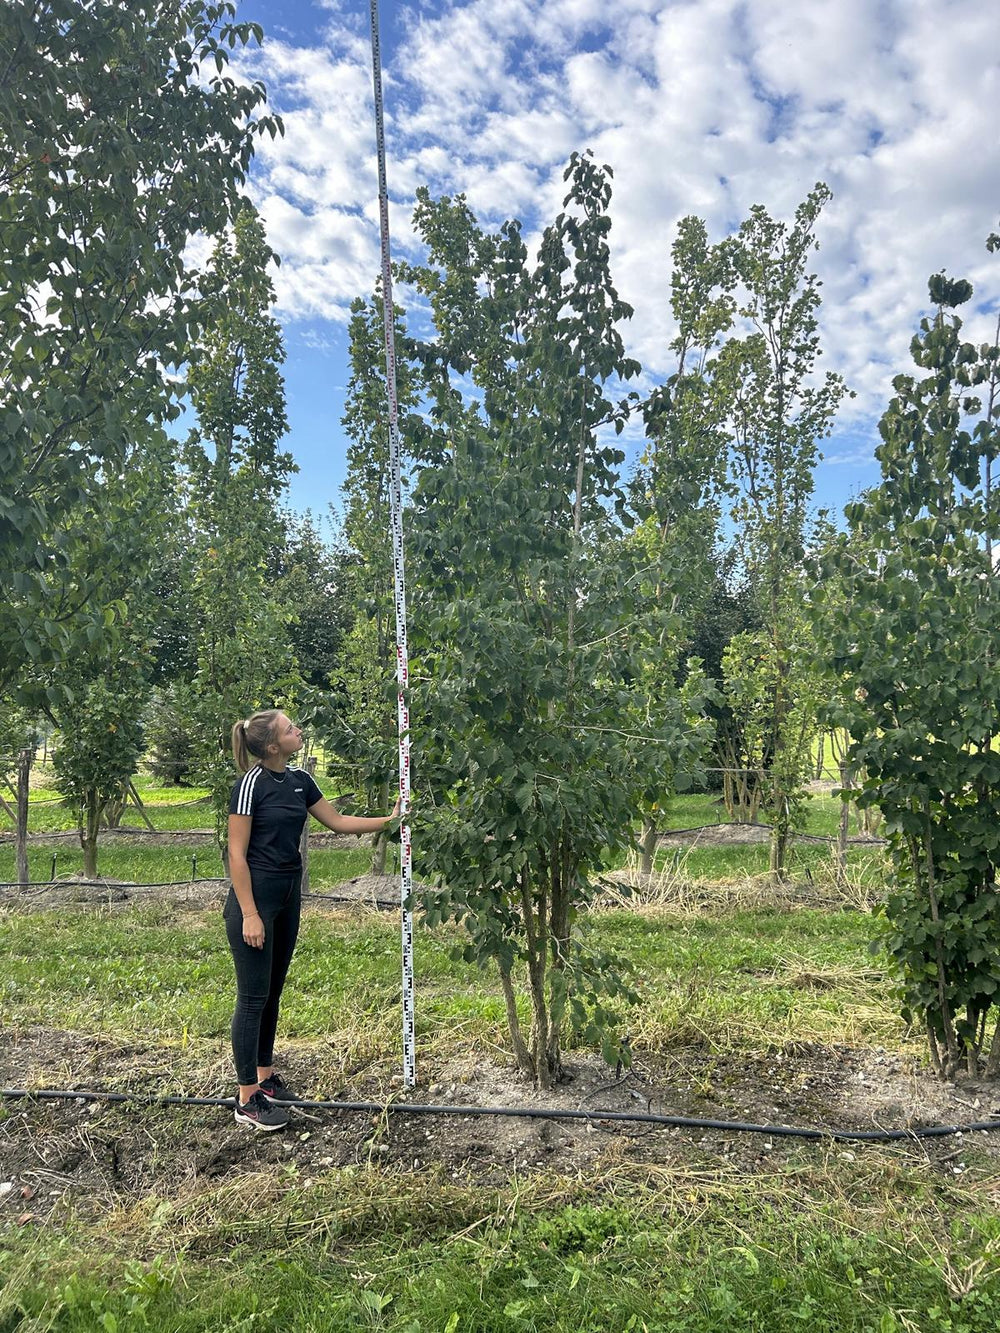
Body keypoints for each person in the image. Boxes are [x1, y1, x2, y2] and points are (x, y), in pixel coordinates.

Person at [226, 709, 399, 1131]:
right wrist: (250, 913)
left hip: (289, 896)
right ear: (272, 746)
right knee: (252, 997)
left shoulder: (301, 780)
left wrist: (390, 821)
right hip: (257, 900)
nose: (297, 730)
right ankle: (246, 1097)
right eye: (290, 728)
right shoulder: (250, 785)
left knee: (273, 991)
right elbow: (235, 853)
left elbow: (337, 822)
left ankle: (265, 1079)